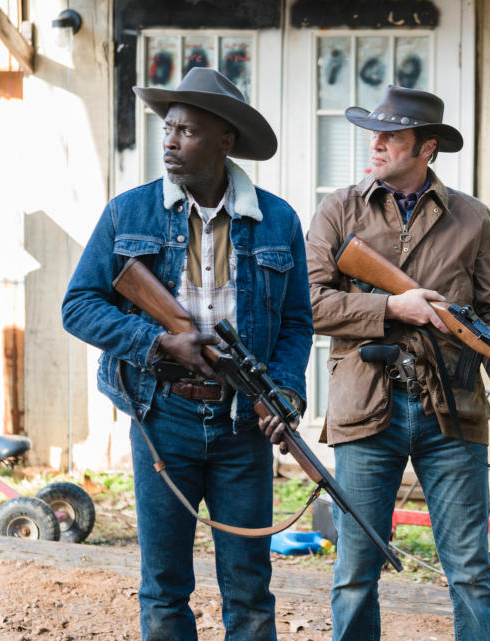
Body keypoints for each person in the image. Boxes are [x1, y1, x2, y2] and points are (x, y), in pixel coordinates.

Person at [62, 67, 313, 641]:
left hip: (242, 424)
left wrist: (284, 392)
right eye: (168, 129)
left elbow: (299, 323)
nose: (171, 142)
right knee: (165, 585)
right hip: (162, 416)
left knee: (249, 585)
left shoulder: (278, 220)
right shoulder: (130, 212)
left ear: (225, 141)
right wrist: (156, 342)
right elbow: (77, 305)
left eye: (189, 132)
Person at [301, 85, 490, 641]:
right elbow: (309, 303)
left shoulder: (473, 219)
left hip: (451, 408)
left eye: (393, 135)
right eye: (375, 134)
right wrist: (391, 305)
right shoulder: (340, 208)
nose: (377, 144)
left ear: (426, 147)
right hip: (366, 401)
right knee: (356, 569)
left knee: (471, 570)